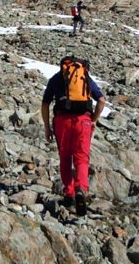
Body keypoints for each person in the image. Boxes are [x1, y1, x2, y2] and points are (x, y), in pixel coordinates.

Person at [41, 58, 105, 216]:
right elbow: (102, 100)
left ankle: (69, 194)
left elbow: (45, 104)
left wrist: (47, 127)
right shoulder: (85, 77)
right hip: (83, 121)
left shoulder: (56, 79)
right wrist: (94, 120)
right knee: (81, 158)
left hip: (62, 121)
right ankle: (81, 189)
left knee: (65, 157)